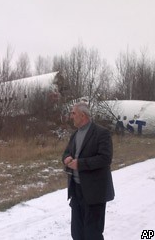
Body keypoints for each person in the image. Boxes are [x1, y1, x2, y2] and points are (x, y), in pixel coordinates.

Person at [62, 102, 115, 240]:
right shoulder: (75, 135)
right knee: (77, 233)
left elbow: (105, 158)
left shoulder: (101, 133)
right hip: (76, 190)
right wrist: (67, 158)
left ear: (82, 115)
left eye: (73, 113)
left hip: (94, 192)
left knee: (92, 234)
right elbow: (67, 152)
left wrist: (80, 164)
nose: (71, 116)